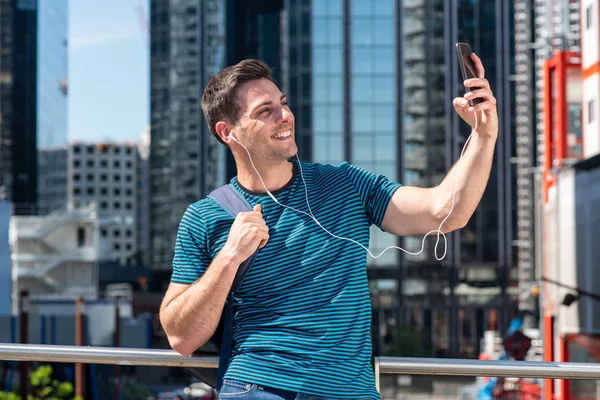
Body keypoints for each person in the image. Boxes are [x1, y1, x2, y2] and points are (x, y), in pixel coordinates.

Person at [159, 58, 498, 399]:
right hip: (258, 388)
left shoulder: (346, 184)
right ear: (227, 132)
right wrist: (229, 257)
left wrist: (484, 134)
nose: (284, 116)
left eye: (283, 103)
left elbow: (446, 212)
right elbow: (182, 338)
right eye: (265, 111)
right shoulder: (205, 217)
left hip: (351, 392)